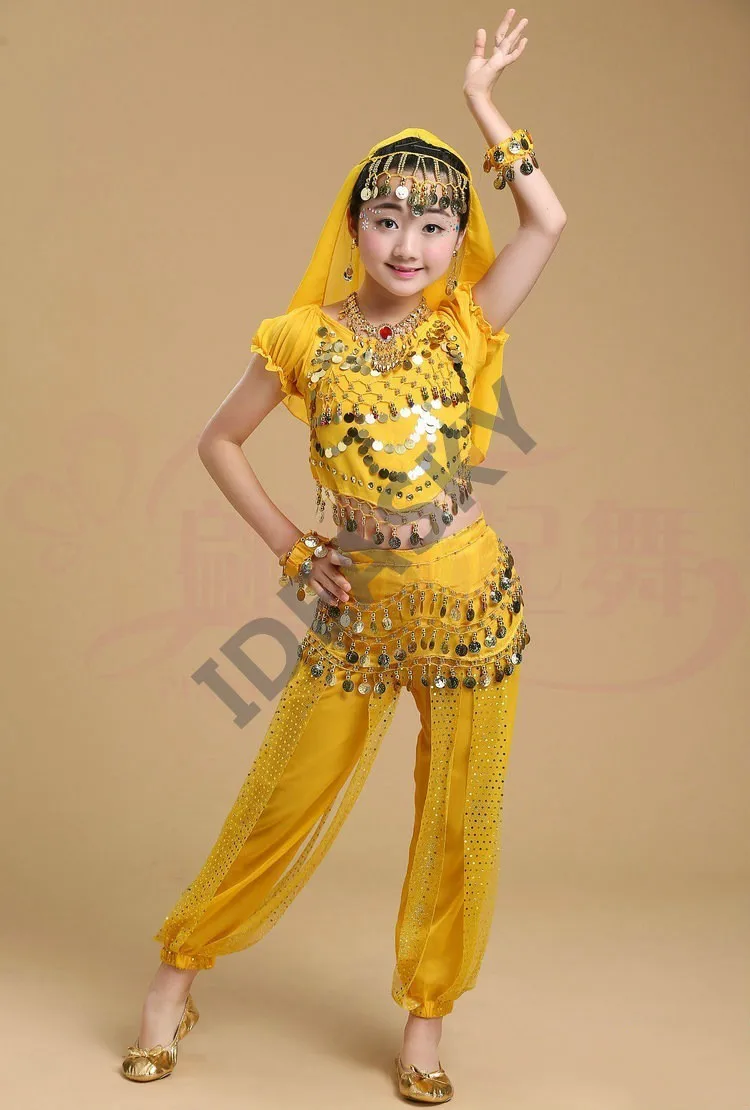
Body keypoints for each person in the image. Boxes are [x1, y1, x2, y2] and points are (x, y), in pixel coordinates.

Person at [121, 10, 567, 1102]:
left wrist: (483, 105)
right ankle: (173, 984)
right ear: (354, 226)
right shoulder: (303, 338)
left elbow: (549, 221)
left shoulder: (466, 324)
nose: (408, 244)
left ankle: (424, 1026)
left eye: (433, 224)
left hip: (473, 610)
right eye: (387, 219)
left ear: (455, 237)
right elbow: (218, 442)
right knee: (281, 803)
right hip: (356, 612)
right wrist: (290, 547)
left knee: (459, 823)